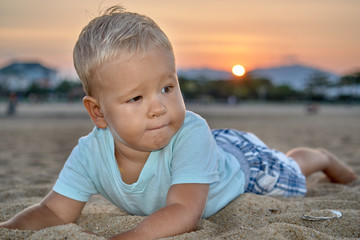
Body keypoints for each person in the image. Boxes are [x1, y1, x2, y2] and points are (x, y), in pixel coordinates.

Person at [0, 6, 357, 240]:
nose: (159, 107)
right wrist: (10, 229)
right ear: (97, 112)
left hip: (245, 167)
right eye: (136, 98)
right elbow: (52, 210)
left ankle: (322, 157)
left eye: (167, 87)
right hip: (210, 152)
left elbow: (184, 213)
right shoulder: (89, 153)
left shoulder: (188, 130)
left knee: (290, 169)